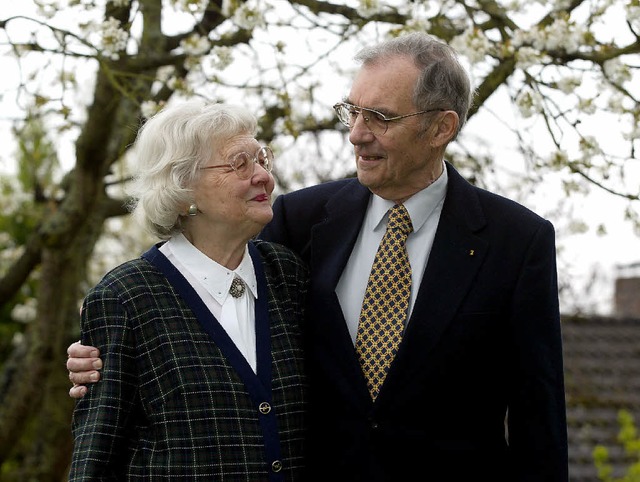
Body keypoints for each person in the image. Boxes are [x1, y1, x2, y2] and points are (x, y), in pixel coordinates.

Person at [68, 32, 568, 481]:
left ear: (441, 128)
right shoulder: (299, 222)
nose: (356, 133)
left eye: (381, 117)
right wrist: (107, 345)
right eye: (352, 111)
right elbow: (198, 274)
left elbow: (538, 419)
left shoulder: (517, 241)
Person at [67, 100, 308, 481]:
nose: (262, 175)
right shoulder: (126, 298)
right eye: (239, 163)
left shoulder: (286, 274)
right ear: (182, 189)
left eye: (262, 158)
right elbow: (97, 455)